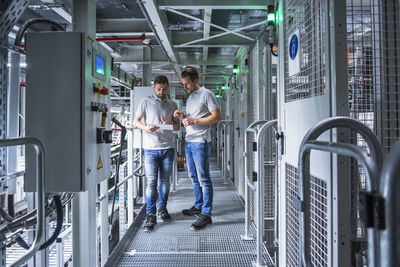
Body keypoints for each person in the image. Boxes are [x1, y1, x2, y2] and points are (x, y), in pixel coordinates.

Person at [174, 67, 222, 230]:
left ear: (195, 81)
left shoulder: (206, 94)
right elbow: (191, 119)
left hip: (201, 142)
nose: (185, 87)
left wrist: (194, 121)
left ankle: (206, 214)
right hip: (189, 141)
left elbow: (217, 116)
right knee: (194, 177)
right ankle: (199, 205)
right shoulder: (191, 97)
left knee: (204, 178)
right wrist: (183, 117)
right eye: (183, 84)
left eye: (187, 84)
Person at [134, 75, 180, 232]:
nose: (162, 92)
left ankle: (163, 209)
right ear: (154, 87)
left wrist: (170, 124)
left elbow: (177, 127)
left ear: (168, 88)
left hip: (168, 148)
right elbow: (136, 121)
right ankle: (150, 215)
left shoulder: (173, 104)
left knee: (165, 182)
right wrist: (146, 128)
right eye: (159, 89)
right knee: (151, 183)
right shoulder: (145, 102)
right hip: (150, 149)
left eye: (165, 89)